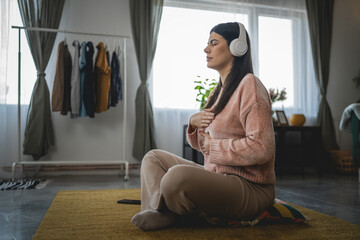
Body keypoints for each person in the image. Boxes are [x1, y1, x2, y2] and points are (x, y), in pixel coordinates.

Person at [131, 22, 276, 231]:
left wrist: (213, 146)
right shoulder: (216, 92)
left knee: (175, 178)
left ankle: (170, 214)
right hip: (218, 176)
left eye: (213, 43)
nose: (206, 49)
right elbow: (203, 144)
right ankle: (161, 212)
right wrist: (194, 125)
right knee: (152, 158)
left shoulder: (250, 85)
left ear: (237, 47)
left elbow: (262, 148)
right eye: (207, 43)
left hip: (250, 187)